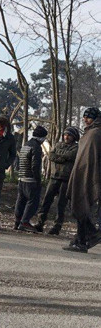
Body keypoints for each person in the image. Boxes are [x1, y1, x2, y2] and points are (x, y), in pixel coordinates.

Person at [64, 108, 101, 252]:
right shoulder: (88, 133)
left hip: (90, 175)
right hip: (81, 174)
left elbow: (94, 157)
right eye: (84, 117)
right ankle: (86, 236)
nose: (85, 119)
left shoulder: (96, 133)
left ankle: (84, 239)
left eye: (89, 117)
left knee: (82, 205)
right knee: (78, 205)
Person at [34, 127, 79, 235]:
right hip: (54, 177)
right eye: (65, 135)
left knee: (61, 204)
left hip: (66, 179)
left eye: (69, 135)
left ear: (74, 137)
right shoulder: (58, 144)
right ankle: (40, 223)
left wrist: (59, 155)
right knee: (46, 201)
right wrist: (61, 158)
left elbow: (71, 155)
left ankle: (57, 226)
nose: (66, 137)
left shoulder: (76, 147)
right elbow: (51, 155)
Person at [14, 125, 48, 231]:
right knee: (33, 202)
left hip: (21, 178)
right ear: (41, 138)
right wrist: (38, 179)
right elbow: (35, 166)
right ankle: (25, 222)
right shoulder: (36, 147)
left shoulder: (26, 145)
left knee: (21, 201)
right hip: (31, 180)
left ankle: (17, 221)